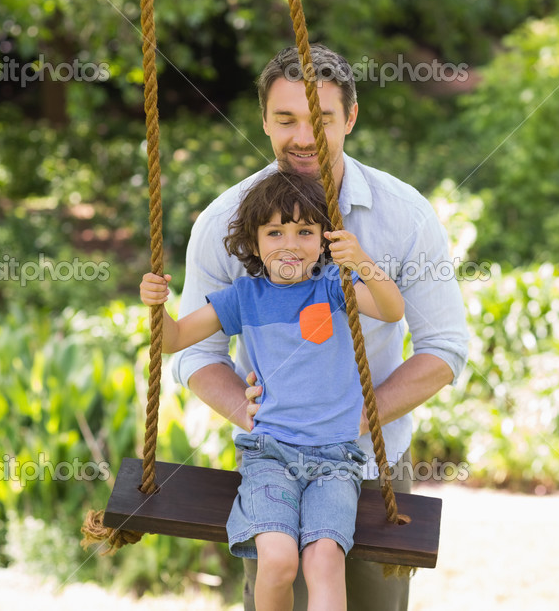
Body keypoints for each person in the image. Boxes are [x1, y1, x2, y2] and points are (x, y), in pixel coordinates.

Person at [172, 44, 470, 611]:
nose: (303, 135)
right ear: (264, 121)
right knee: (278, 583)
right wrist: (247, 411)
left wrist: (356, 416)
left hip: (371, 462)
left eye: (321, 119)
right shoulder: (223, 223)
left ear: (350, 118)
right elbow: (195, 351)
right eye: (286, 119)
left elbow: (444, 348)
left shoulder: (403, 215)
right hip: (274, 460)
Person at [141, 170, 405, 610]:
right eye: (275, 231)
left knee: (324, 562)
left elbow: (393, 310)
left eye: (305, 231)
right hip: (270, 453)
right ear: (255, 240)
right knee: (278, 561)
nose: (290, 243)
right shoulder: (244, 297)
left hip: (335, 457)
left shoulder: (335, 288)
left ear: (324, 239)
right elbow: (171, 340)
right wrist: (156, 305)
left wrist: (359, 260)